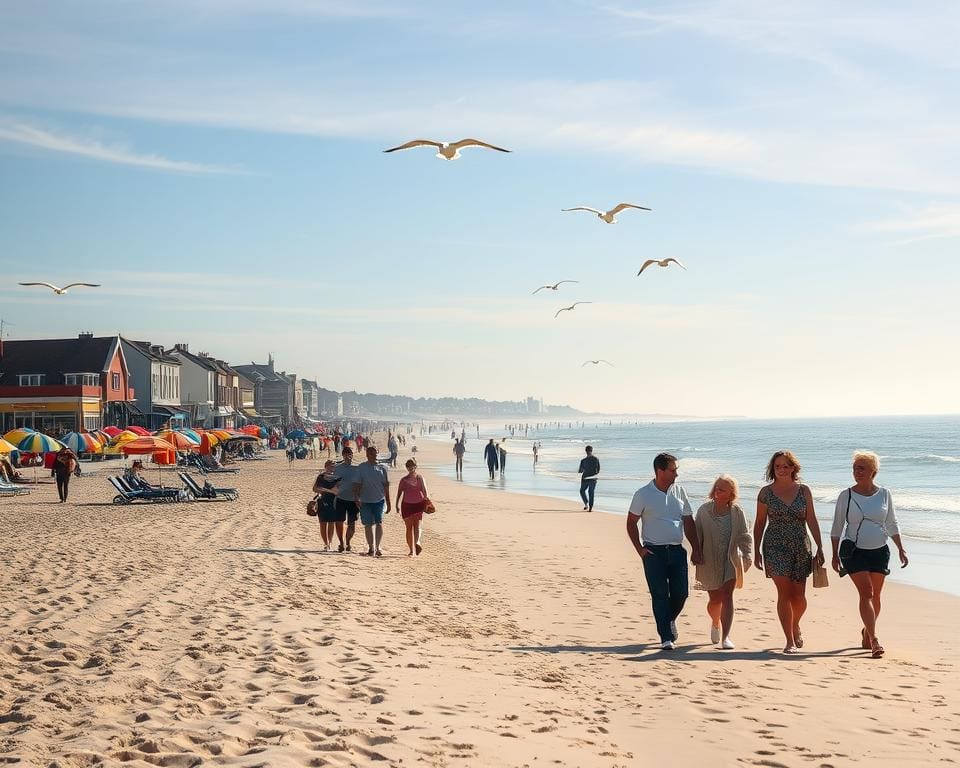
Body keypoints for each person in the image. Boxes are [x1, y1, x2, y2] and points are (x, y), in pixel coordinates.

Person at [831, 451, 908, 659]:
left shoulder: (884, 494)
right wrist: (834, 553)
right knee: (866, 593)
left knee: (876, 595)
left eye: (861, 468)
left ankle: (867, 630)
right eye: (855, 468)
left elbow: (891, 522)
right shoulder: (845, 495)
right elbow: (837, 525)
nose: (857, 472)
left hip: (880, 550)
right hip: (853, 551)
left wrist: (900, 547)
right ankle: (874, 640)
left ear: (873, 471)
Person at [626, 453, 702, 650]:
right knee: (659, 594)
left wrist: (696, 548)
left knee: (681, 593)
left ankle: (668, 620)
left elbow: (688, 521)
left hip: (677, 551)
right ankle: (666, 637)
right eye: (673, 470)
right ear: (660, 471)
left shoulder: (679, 491)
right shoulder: (643, 494)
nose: (676, 474)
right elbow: (631, 522)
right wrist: (640, 549)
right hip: (653, 552)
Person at [754, 450, 825, 654]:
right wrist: (757, 550)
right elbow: (759, 522)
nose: (782, 470)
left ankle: (795, 625)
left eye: (786, 466)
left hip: (800, 545)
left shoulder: (804, 491)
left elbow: (811, 518)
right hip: (774, 545)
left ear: (793, 467)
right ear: (772, 469)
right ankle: (789, 641)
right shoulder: (765, 493)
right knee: (783, 593)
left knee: (799, 596)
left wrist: (820, 546)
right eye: (778, 466)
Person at [694, 475, 752, 649]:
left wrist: (748, 554)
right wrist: (696, 553)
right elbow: (697, 535)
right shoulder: (704, 511)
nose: (718, 491)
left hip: (731, 559)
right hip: (710, 559)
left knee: (727, 596)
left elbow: (744, 535)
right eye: (717, 488)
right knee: (715, 600)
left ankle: (726, 637)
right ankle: (715, 622)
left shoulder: (737, 512)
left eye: (722, 489)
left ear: (731, 494)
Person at [353, 445, 391, 557]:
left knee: (379, 523)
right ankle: (371, 547)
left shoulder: (382, 468)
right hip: (365, 500)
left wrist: (388, 502)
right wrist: (356, 498)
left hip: (379, 500)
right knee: (368, 524)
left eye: (374, 454)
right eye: (370, 454)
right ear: (367, 454)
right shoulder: (361, 467)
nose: (373, 456)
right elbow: (356, 484)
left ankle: (378, 547)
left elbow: (386, 486)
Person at [396, 459, 429, 556]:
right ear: (406, 467)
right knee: (409, 528)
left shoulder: (420, 478)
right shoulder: (403, 480)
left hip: (418, 505)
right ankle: (411, 550)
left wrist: (427, 502)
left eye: (412, 465)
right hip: (406, 506)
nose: (410, 467)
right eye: (408, 466)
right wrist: (396, 505)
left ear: (416, 466)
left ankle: (417, 542)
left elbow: (425, 492)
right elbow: (399, 493)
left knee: (417, 526)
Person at [331, 447, 360, 551]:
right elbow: (333, 483)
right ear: (343, 455)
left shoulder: (357, 467)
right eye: (346, 454)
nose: (348, 456)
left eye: (350, 453)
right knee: (339, 521)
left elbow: (361, 483)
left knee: (351, 523)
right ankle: (341, 543)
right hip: (340, 498)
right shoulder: (338, 468)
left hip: (353, 500)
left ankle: (348, 542)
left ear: (352, 454)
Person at [313, 459, 343, 552]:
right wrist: (329, 491)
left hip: (334, 502)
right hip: (322, 501)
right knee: (323, 523)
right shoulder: (321, 477)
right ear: (326, 466)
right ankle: (325, 543)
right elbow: (315, 489)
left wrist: (331, 490)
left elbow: (339, 490)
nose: (332, 467)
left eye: (333, 466)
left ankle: (329, 542)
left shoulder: (337, 477)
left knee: (331, 523)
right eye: (330, 465)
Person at [577, 445, 600, 511]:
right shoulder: (596, 459)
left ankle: (587, 504)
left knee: (582, 491)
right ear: (591, 451)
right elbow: (598, 469)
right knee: (591, 492)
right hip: (593, 478)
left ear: (585, 451)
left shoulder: (583, 460)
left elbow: (580, 471)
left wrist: (582, 470)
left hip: (585, 478)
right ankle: (590, 507)